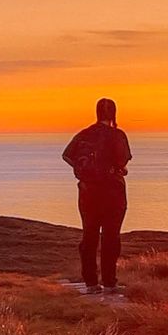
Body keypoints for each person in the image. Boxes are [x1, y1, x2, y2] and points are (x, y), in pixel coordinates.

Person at [61, 98, 132, 293]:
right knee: (111, 237)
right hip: (113, 192)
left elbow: (67, 155)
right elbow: (122, 161)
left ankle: (91, 282)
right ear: (114, 114)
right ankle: (109, 282)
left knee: (89, 235)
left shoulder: (84, 135)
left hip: (88, 192)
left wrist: (83, 171)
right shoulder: (117, 135)